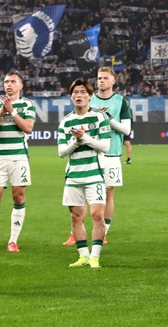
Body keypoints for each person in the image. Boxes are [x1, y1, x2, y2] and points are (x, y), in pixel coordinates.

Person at [58, 78, 111, 270]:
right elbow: (61, 152)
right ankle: (83, 255)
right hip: (73, 176)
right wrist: (76, 142)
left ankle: (95, 257)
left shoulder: (99, 118)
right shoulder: (66, 122)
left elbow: (105, 146)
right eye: (75, 92)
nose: (78, 95)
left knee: (98, 215)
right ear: (71, 96)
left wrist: (85, 137)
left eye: (82, 92)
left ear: (89, 96)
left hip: (94, 173)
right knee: (76, 217)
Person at [0, 70, 36, 253]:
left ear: (20, 86)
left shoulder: (27, 104)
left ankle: (13, 241)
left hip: (19, 156)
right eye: (6, 82)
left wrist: (12, 112)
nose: (8, 84)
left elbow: (28, 128)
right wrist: (0, 113)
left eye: (13, 81)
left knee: (18, 197)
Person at [89, 67, 132, 240]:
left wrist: (109, 119)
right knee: (86, 193)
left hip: (112, 154)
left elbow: (126, 129)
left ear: (113, 81)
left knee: (108, 193)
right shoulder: (89, 99)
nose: (101, 81)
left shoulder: (121, 101)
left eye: (105, 78)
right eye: (99, 78)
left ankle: (103, 230)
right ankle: (75, 232)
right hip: (90, 152)